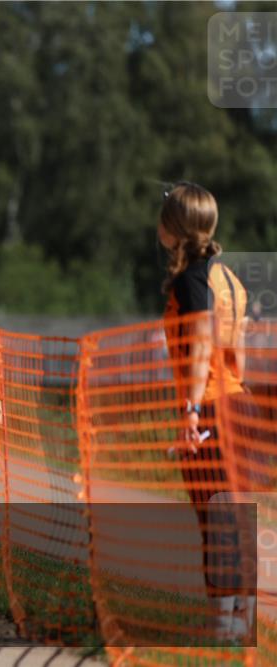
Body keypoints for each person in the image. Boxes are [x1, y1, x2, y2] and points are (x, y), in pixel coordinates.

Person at [158, 181, 254, 639]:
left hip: (211, 408)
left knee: (214, 516)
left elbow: (199, 348)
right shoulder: (228, 278)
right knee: (235, 514)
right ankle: (241, 620)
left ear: (173, 229)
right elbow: (239, 347)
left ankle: (221, 627)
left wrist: (192, 412)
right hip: (238, 403)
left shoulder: (192, 281)